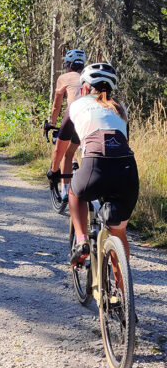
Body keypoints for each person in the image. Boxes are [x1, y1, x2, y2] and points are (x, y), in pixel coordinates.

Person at [47, 63, 139, 266]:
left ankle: (80, 241)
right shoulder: (120, 108)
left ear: (86, 87)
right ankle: (121, 292)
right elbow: (124, 141)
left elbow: (59, 149)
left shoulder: (76, 106)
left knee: (75, 192)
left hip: (95, 166)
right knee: (119, 231)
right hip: (127, 169)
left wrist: (54, 171)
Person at [45, 49, 86, 201]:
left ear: (68, 65)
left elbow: (56, 106)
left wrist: (51, 123)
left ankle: (60, 184)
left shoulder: (64, 77)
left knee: (60, 152)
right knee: (71, 152)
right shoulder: (88, 78)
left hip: (72, 115)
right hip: (88, 117)